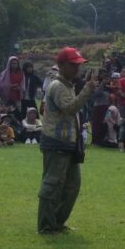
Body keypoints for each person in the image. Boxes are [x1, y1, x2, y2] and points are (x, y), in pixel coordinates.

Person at [37, 47, 97, 235]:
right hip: (56, 143)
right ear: (61, 65)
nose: (77, 69)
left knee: (72, 186)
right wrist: (87, 90)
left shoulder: (68, 85)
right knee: (53, 184)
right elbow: (70, 109)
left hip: (68, 143)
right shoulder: (58, 86)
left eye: (78, 65)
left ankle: (56, 221)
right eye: (73, 65)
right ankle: (46, 225)